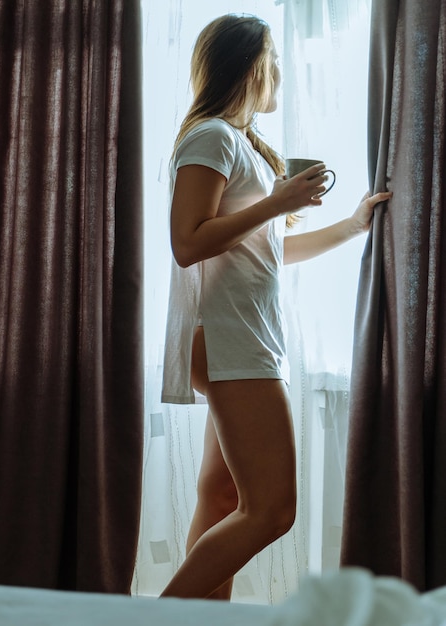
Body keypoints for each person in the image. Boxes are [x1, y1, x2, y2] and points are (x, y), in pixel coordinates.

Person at [159, 14, 392, 600]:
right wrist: (278, 201)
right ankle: (156, 618)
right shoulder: (210, 137)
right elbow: (188, 243)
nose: (280, 73)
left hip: (239, 335)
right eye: (274, 60)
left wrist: (352, 225)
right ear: (252, 66)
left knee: (223, 499)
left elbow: (267, 250)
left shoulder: (238, 143)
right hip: (229, 337)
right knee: (271, 511)